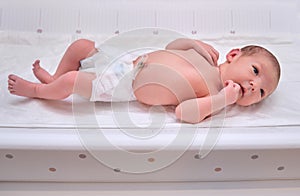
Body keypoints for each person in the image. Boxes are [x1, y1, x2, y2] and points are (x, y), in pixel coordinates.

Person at [7, 38, 280, 123]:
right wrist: (192, 42)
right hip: (125, 61)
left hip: (122, 84)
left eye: (262, 92)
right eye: (255, 71)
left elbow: (183, 113)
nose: (255, 86)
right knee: (81, 46)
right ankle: (53, 78)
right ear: (233, 55)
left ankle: (38, 90)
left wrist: (223, 100)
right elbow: (173, 46)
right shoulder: (207, 57)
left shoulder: (213, 93)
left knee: (73, 81)